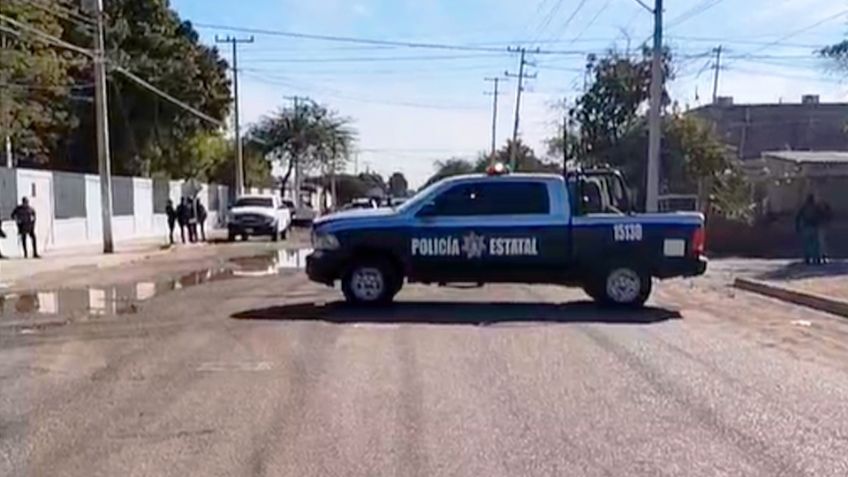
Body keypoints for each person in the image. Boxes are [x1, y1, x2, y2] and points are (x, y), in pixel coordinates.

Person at [795, 194, 821, 265]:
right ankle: (816, 258)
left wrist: (798, 226)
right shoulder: (816, 207)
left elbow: (798, 216)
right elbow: (820, 215)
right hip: (814, 226)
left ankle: (807, 258)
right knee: (815, 244)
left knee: (807, 244)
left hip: (806, 226)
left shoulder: (804, 207)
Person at [817, 199, 833, 264]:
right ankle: (822, 256)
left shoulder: (818, 211)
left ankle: (821, 256)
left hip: (820, 227)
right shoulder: (824, 212)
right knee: (822, 243)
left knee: (821, 243)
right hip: (822, 227)